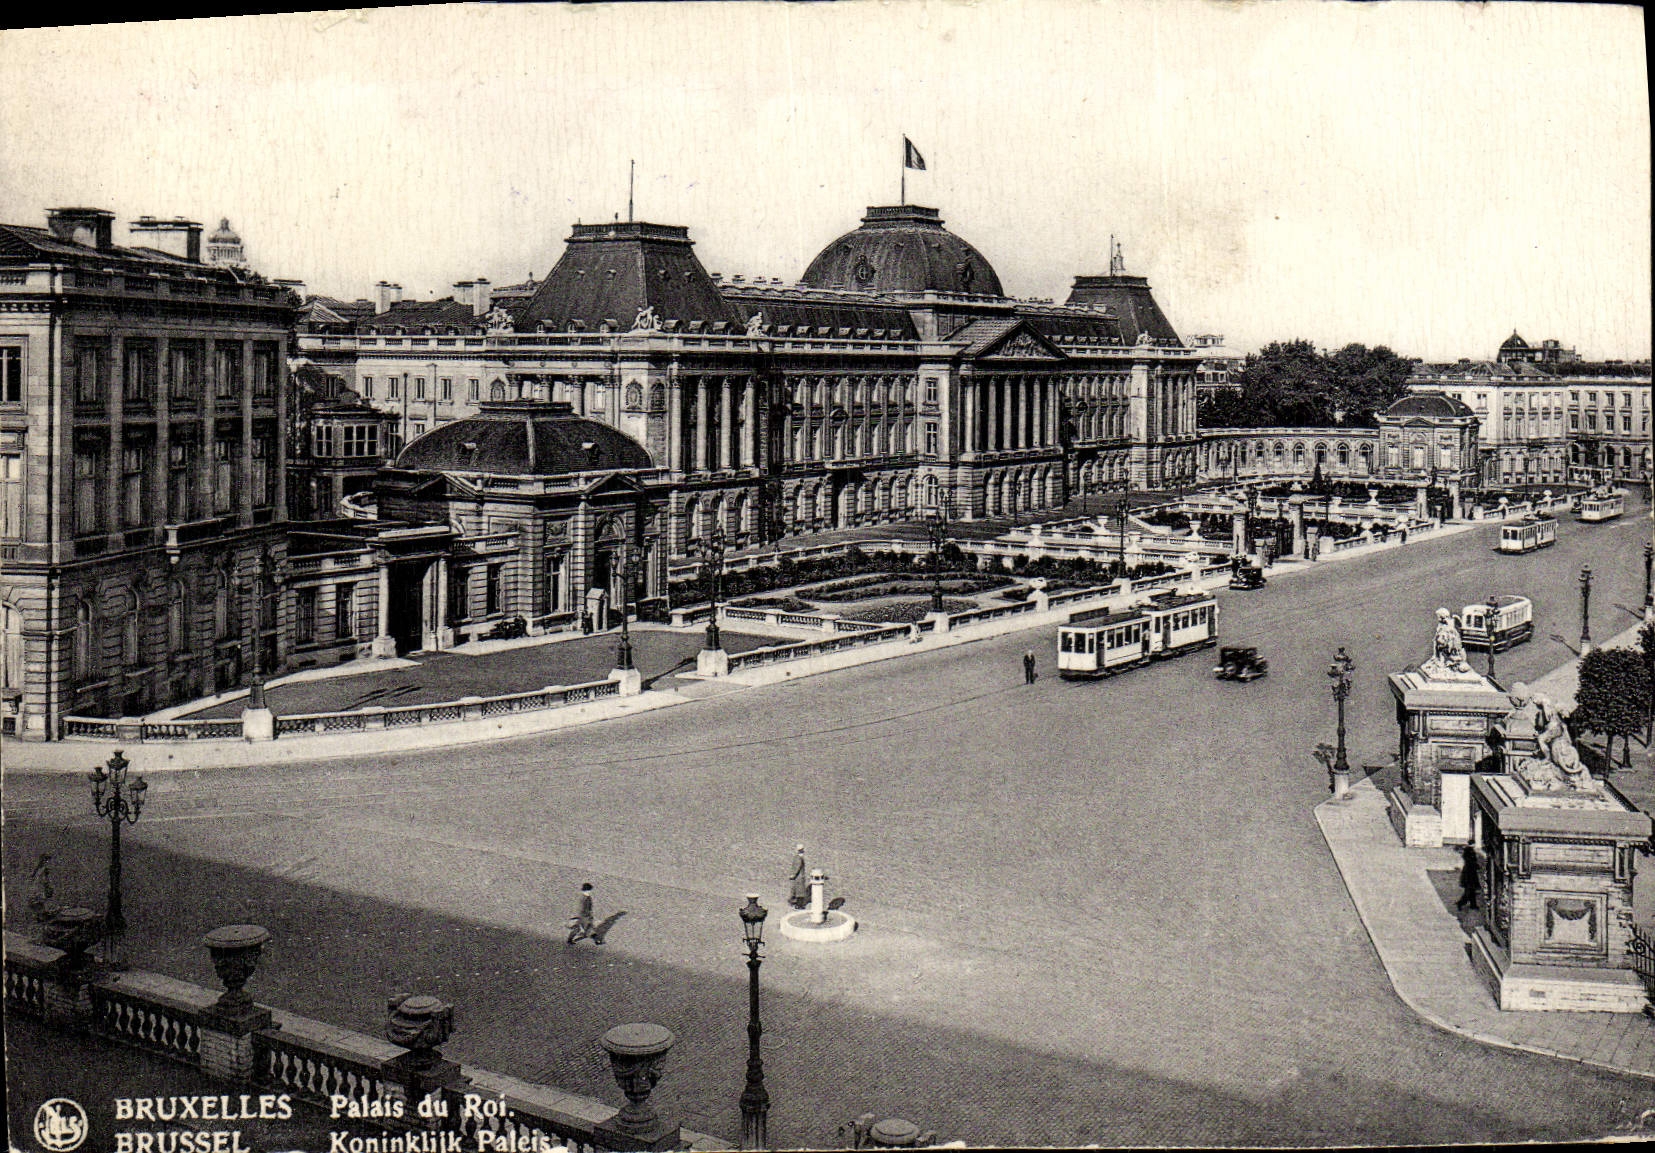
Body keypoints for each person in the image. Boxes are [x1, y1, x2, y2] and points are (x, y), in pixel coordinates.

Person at [1456, 844, 1479, 911]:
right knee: (1469, 892)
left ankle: (1473, 905)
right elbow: (1471, 862)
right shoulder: (1469, 851)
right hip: (1469, 875)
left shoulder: (1468, 851)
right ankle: (1460, 903)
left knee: (1472, 891)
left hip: (1469, 874)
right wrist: (1476, 866)